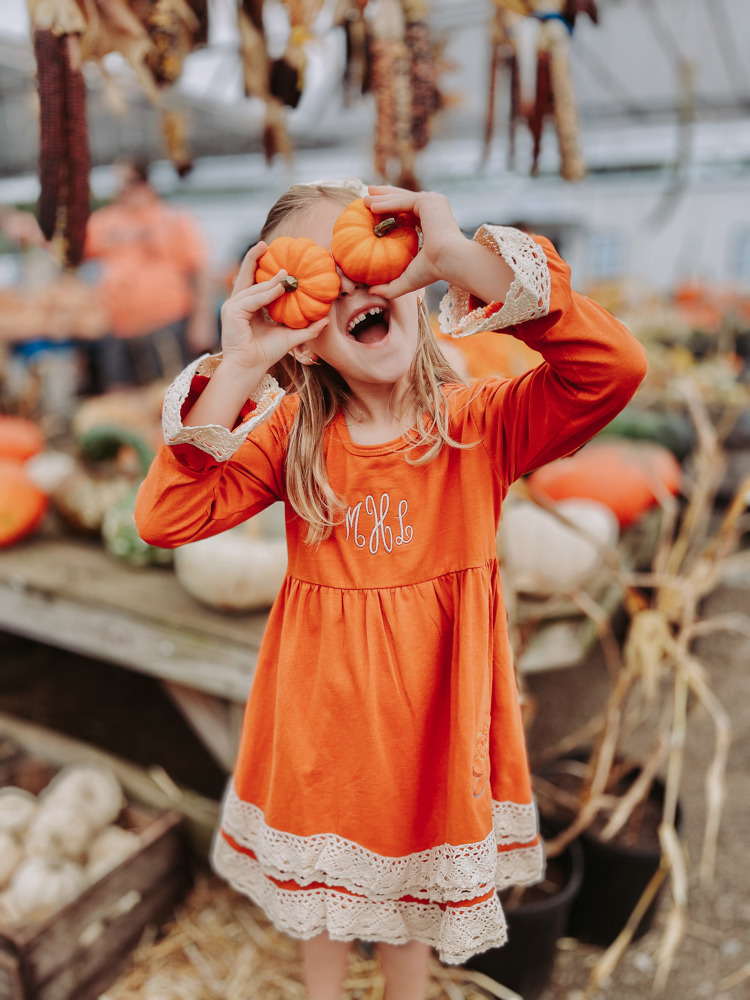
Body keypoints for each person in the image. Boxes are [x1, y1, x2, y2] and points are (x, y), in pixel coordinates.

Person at [135, 180, 647, 1000]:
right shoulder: (289, 440)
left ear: (411, 272)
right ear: (300, 336)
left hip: (430, 733)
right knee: (328, 913)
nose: (358, 285)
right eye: (321, 282)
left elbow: (614, 368)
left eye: (367, 248)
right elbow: (165, 515)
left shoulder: (480, 425)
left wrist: (458, 259)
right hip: (323, 729)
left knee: (411, 909)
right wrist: (240, 364)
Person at [83, 158, 217, 391]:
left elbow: (200, 270)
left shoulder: (174, 219)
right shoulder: (104, 221)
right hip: (118, 330)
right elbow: (71, 250)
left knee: (171, 392)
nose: (123, 190)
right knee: (121, 398)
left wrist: (202, 320)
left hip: (167, 324)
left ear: (146, 183)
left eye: (130, 182)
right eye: (118, 184)